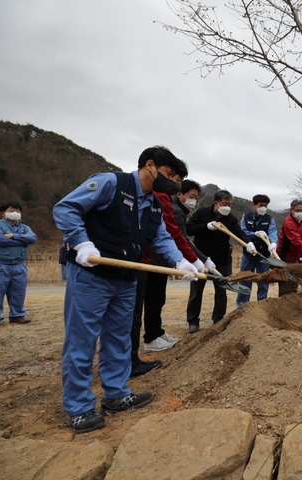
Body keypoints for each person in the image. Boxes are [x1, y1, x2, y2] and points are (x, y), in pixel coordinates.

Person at [52, 145, 200, 433]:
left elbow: (161, 238)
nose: (172, 183)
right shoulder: (111, 183)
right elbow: (66, 207)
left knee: (119, 338)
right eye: (169, 175)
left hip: (126, 278)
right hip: (91, 275)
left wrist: (181, 261)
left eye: (177, 180)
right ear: (150, 165)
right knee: (82, 341)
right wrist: (81, 241)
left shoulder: (154, 204)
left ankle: (116, 394)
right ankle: (80, 407)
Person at [130, 174, 208, 377]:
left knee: (157, 299)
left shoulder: (173, 207)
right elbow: (178, 236)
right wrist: (198, 260)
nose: (193, 200)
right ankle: (149, 340)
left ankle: (155, 333)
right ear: (180, 194)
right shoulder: (171, 207)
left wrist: (190, 260)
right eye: (190, 195)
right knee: (151, 301)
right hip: (152, 262)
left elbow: (172, 237)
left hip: (159, 260)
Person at [185, 190, 255, 333]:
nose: (227, 207)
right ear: (216, 203)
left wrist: (248, 243)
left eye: (230, 205)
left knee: (221, 291)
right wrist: (206, 226)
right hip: (201, 260)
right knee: (196, 292)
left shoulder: (230, 219)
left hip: (222, 260)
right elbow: (188, 229)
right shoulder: (202, 213)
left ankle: (218, 319)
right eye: (225, 204)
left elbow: (238, 232)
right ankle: (193, 321)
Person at [0, 201, 37, 325]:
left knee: (18, 291)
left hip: (19, 264)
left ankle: (17, 315)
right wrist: (22, 240)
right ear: (3, 213)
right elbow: (0, 239)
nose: (15, 213)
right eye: (11, 210)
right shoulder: (0, 225)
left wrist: (13, 236)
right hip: (2, 264)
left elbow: (32, 238)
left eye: (18, 211)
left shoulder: (25, 227)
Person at [237, 194, 278, 306]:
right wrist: (254, 234)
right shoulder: (246, 217)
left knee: (264, 280)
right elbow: (242, 231)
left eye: (265, 205)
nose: (263, 208)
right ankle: (242, 305)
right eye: (261, 205)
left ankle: (262, 304)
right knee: (245, 279)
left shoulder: (269, 219)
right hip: (249, 253)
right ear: (254, 205)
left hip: (264, 255)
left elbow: (273, 232)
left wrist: (273, 243)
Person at [276, 199, 302, 296]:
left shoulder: (301, 220)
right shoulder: (288, 223)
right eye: (298, 210)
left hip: (296, 256)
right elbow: (295, 240)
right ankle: (283, 304)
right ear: (291, 210)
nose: (300, 213)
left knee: (294, 282)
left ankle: (292, 302)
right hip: (285, 256)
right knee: (286, 283)